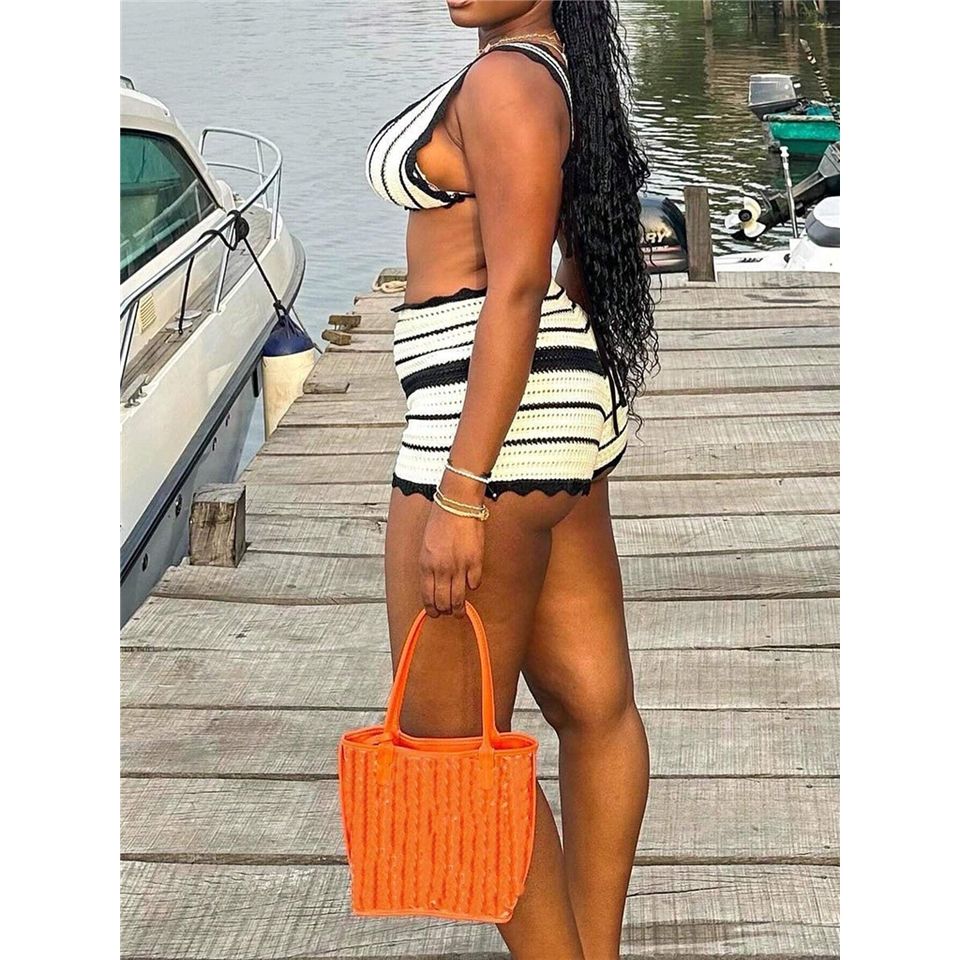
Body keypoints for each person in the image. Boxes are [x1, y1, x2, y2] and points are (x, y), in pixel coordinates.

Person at [366, 2, 657, 957]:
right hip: (552, 420)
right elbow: (570, 253)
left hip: (483, 427)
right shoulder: (556, 70)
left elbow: (520, 281)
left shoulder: (505, 81)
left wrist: (461, 491)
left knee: (451, 746)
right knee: (594, 707)